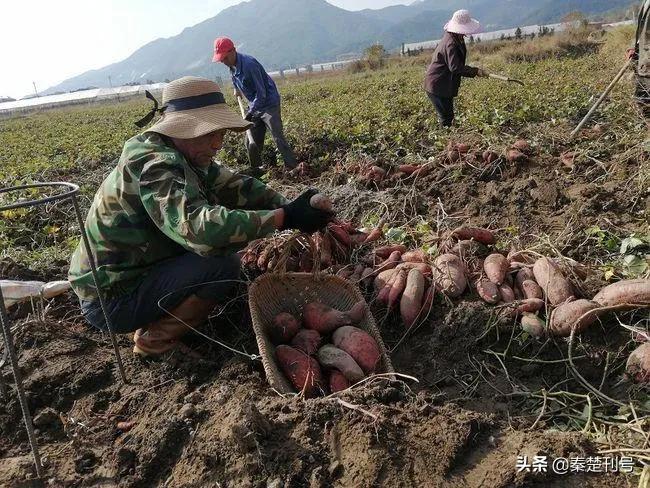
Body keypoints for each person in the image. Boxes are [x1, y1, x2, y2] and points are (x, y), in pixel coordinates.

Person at [68, 76, 332, 356]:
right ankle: (154, 342)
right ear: (182, 129)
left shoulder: (184, 155)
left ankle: (157, 315)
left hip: (135, 274)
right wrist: (282, 218)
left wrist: (291, 206)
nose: (218, 143)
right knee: (222, 264)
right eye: (211, 133)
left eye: (221, 134)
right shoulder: (156, 166)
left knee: (225, 245)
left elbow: (237, 186)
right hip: (111, 299)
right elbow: (199, 230)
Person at [212, 37, 298, 171]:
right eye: (221, 59)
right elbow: (235, 79)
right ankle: (257, 170)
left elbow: (261, 93)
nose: (223, 61)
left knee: (277, 137)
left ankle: (292, 167)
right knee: (251, 141)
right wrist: (236, 89)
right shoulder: (231, 67)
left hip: (269, 104)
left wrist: (250, 113)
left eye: (225, 57)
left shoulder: (249, 64)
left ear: (233, 51)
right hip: (255, 105)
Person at [424, 9, 488, 127]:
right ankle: (444, 142)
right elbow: (455, 67)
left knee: (449, 115)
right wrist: (475, 71)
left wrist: (475, 71)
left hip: (443, 83)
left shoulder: (456, 38)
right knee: (445, 117)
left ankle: (449, 138)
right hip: (437, 85)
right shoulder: (451, 43)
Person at [627, 0, 649, 116]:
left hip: (647, 60)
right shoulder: (646, 2)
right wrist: (633, 46)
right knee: (641, 97)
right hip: (642, 57)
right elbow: (641, 30)